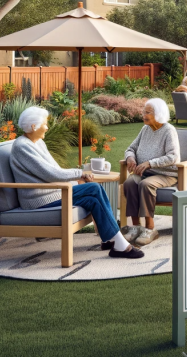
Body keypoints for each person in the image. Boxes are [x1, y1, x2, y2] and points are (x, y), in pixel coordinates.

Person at [10, 106, 143, 259]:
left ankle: (110, 239)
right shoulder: (22, 147)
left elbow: (54, 169)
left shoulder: (38, 142)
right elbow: (50, 173)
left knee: (93, 196)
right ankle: (119, 244)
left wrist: (76, 178)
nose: (47, 128)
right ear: (34, 127)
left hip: (53, 191)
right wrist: (79, 173)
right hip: (37, 199)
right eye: (45, 124)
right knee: (93, 188)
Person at [123, 98, 181, 230]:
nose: (143, 115)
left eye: (147, 112)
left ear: (158, 114)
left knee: (145, 184)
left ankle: (149, 228)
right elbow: (130, 148)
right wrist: (130, 158)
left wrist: (150, 163)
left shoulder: (168, 130)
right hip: (145, 173)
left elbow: (173, 157)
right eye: (143, 112)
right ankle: (135, 226)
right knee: (129, 183)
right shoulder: (145, 129)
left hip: (166, 174)